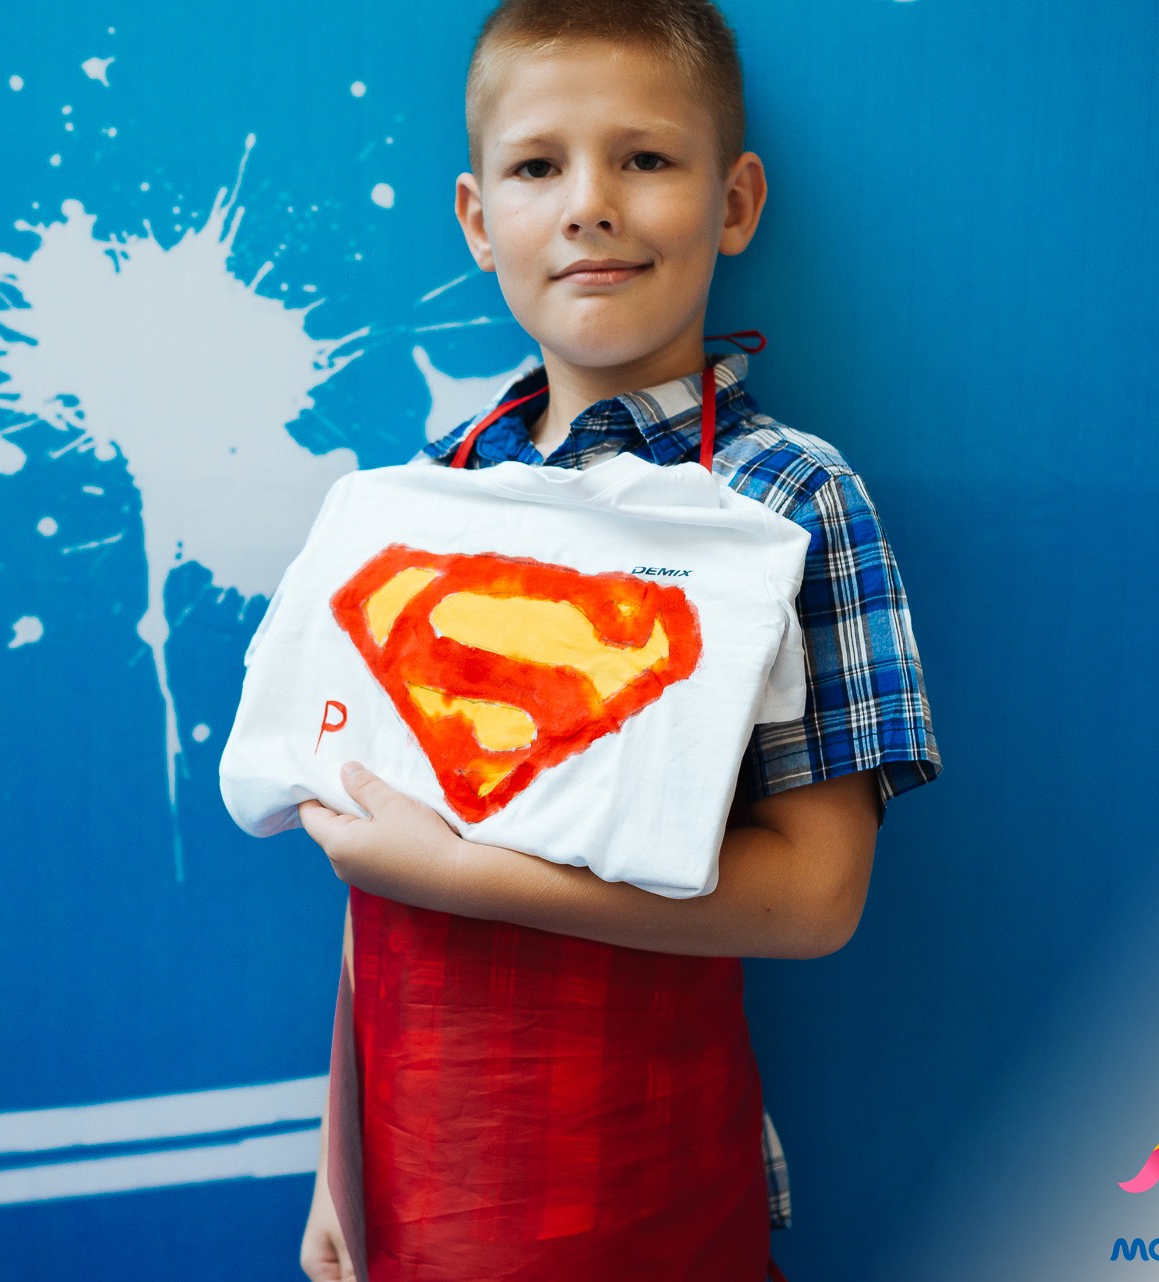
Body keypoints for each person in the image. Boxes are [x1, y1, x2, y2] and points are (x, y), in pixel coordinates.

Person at [294, 2, 942, 1277]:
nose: (589, 205)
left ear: (734, 202)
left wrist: (464, 873)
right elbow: (380, 854)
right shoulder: (419, 501)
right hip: (422, 1171)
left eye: (644, 158)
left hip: (646, 1184)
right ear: (479, 220)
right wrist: (337, 1161)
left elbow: (818, 897)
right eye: (539, 167)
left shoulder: (789, 500)